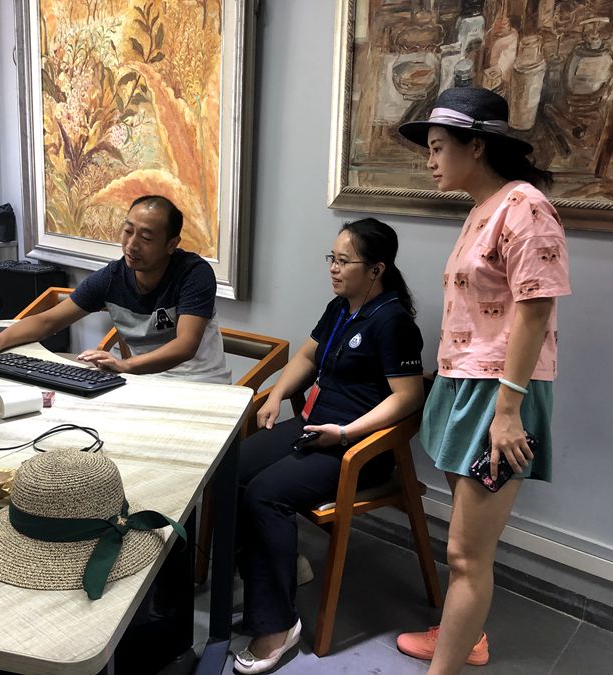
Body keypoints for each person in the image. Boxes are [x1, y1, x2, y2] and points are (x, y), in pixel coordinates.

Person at [394, 87, 571, 673]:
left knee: (468, 555)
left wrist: (508, 409)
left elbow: (536, 309)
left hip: (500, 393)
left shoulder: (525, 206)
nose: (430, 160)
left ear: (477, 145)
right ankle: (465, 638)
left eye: (438, 147)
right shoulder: (482, 209)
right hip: (462, 385)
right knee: (463, 543)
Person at [233, 218, 425, 674]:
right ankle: (279, 575)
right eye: (332, 259)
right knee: (233, 469)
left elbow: (408, 397)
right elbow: (307, 355)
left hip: (357, 449)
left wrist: (344, 433)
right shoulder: (341, 307)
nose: (334, 269)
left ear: (376, 269)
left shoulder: (393, 322)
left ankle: (278, 624)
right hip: (313, 428)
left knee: (265, 494)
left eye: (344, 261)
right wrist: (277, 395)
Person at [0, 195, 231, 384]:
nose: (131, 245)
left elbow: (185, 345)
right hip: (143, 381)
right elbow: (47, 321)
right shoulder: (112, 278)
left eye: (146, 238)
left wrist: (126, 366)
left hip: (201, 382)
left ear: (171, 244)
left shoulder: (193, 274)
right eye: (128, 231)